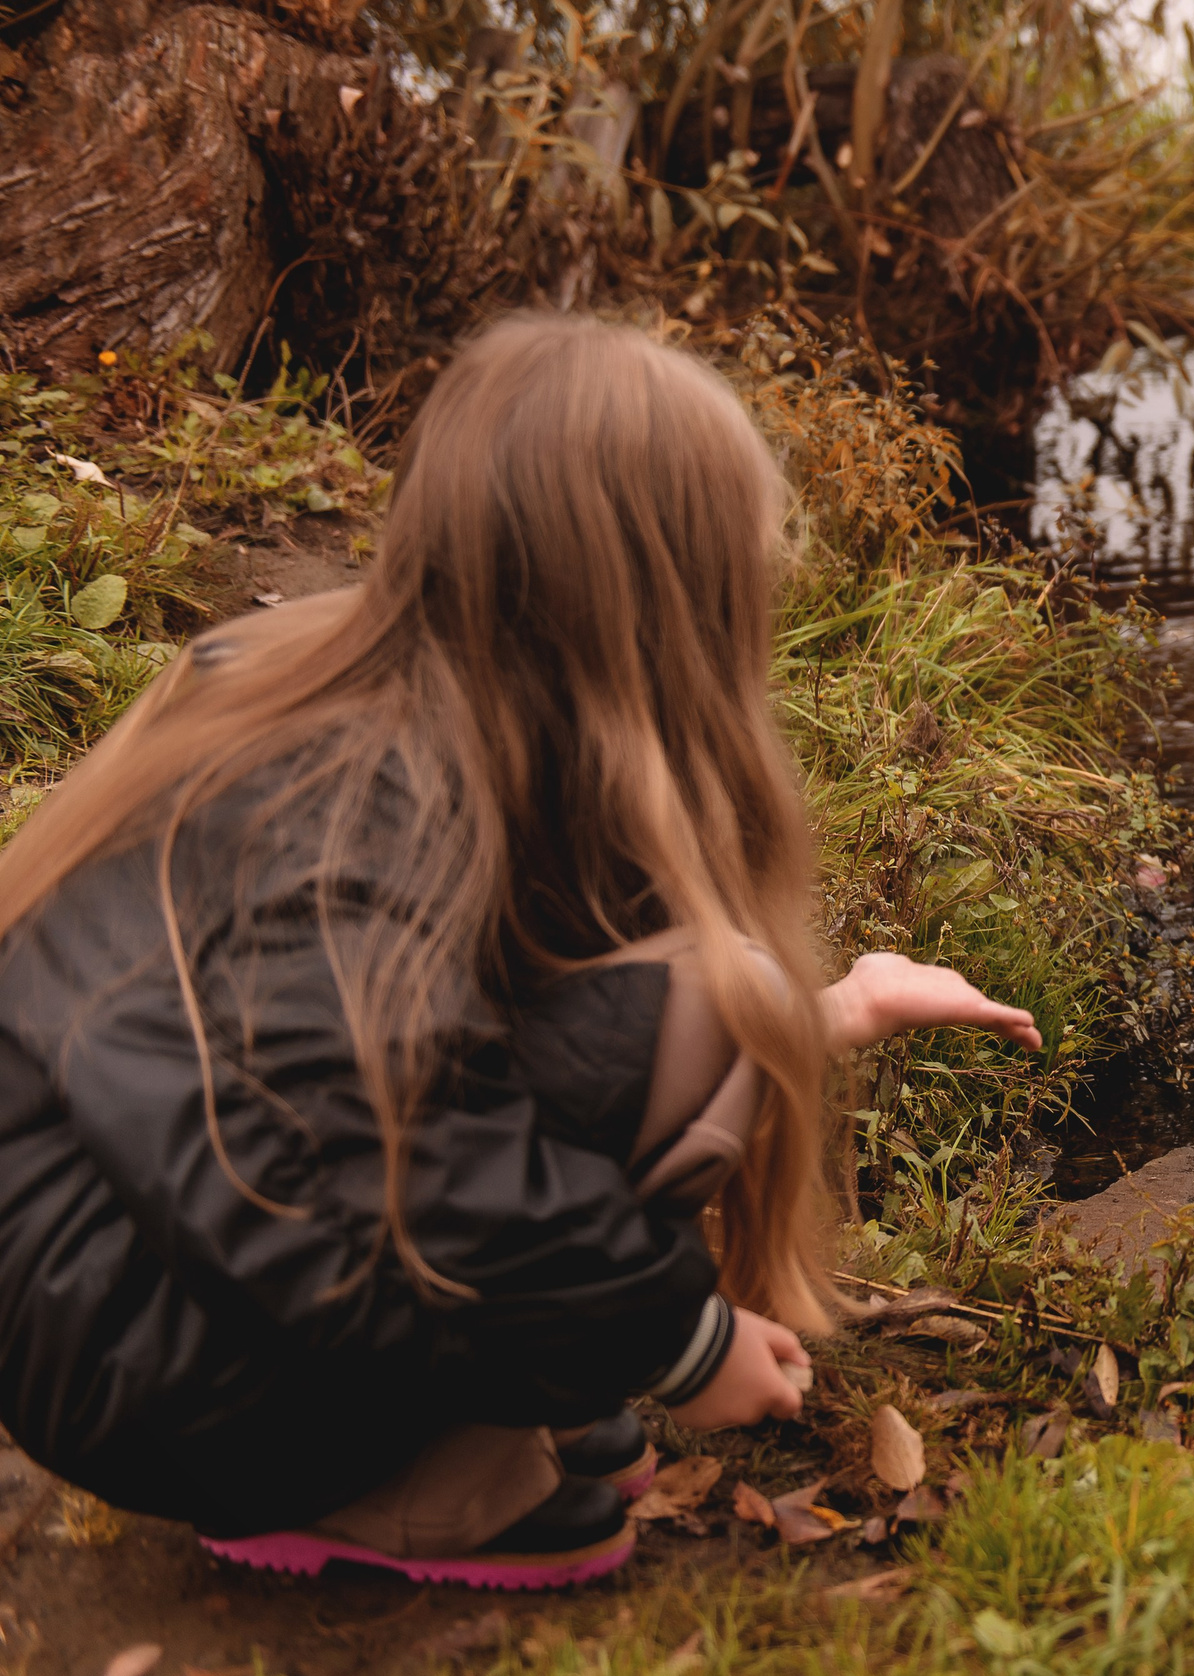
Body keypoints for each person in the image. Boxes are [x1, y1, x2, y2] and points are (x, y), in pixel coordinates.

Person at [0, 315, 1040, 1590]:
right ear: (647, 593)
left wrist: (833, 1012)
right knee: (709, 1010)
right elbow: (387, 1161)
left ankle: (451, 1408)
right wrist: (683, 1337)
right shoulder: (353, 799)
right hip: (131, 1353)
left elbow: (413, 1058)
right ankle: (383, 1486)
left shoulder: (387, 699)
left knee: (728, 1003)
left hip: (128, 1277)